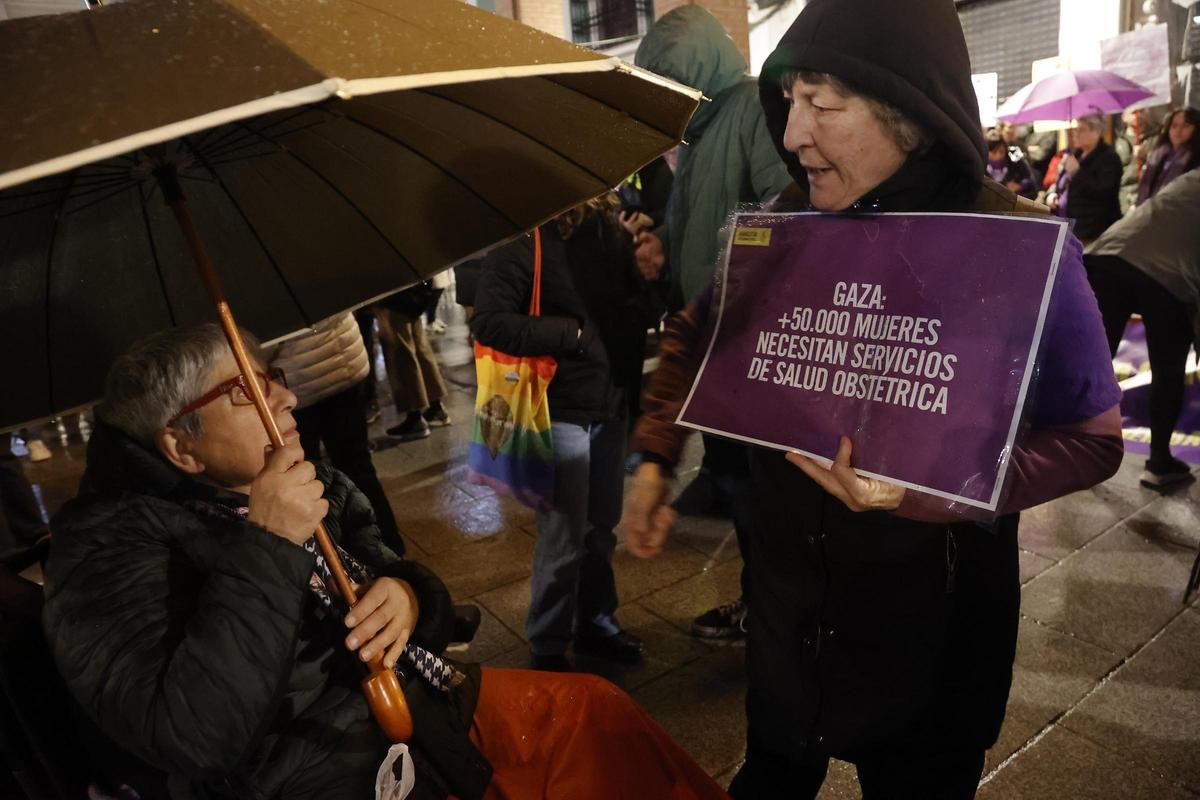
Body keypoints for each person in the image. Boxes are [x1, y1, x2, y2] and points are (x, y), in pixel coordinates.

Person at [621, 0, 1124, 797]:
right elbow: (696, 331)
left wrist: (938, 489)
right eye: (791, 100)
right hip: (788, 621)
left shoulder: (1019, 246)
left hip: (931, 641)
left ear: (914, 118)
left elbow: (1093, 439)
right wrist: (654, 457)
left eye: (824, 103)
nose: (792, 134)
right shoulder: (782, 226)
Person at [41, 323, 730, 800]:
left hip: (419, 706)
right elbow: (196, 736)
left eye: (272, 377)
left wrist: (405, 595)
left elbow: (395, 567)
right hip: (321, 770)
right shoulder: (100, 552)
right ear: (181, 448)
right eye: (243, 391)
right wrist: (272, 544)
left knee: (597, 716)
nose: (283, 397)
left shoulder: (298, 475)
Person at [633, 4, 794, 641]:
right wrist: (661, 247)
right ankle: (762, 605)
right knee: (742, 490)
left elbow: (784, 212)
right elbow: (697, 226)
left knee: (761, 497)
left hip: (747, 343)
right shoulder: (700, 135)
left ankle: (773, 614)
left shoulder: (752, 106)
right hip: (713, 339)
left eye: (672, 82)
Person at [471, 194, 655, 672]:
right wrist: (571, 335)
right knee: (564, 536)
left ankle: (597, 622)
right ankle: (548, 642)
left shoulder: (607, 230)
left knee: (600, 529)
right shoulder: (522, 238)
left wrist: (650, 278)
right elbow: (490, 322)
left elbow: (632, 306)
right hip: (558, 409)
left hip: (611, 402)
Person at [1086, 169, 1200, 488]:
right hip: (1168, 275)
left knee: (1095, 359)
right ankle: (1160, 461)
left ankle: (1076, 444)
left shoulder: (1189, 178)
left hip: (1109, 253)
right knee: (1168, 369)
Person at [269, 312, 404, 554]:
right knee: (357, 463)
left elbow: (267, 337)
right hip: (345, 362)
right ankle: (388, 546)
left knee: (307, 472)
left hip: (299, 380)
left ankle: (334, 554)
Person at [375, 284, 452, 441]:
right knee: (421, 350)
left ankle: (415, 416)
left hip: (393, 299)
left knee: (401, 357)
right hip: (415, 296)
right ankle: (435, 407)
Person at [1046, 114, 1123, 244]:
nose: (1075, 133)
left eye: (1081, 130)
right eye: (1075, 129)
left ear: (1096, 132)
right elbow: (1061, 183)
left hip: (1092, 232)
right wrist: (1052, 194)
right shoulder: (1076, 155)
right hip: (1069, 227)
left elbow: (1104, 191)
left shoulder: (1109, 158)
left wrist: (1077, 172)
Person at [1134, 106, 1200, 206]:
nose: (1178, 131)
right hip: (1149, 211)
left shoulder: (1195, 160)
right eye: (1174, 126)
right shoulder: (1158, 154)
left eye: (1185, 126)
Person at [986, 128, 1037, 199]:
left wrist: (1020, 186)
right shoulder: (981, 166)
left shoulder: (1016, 162)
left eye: (1001, 151)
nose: (998, 156)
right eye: (994, 152)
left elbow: (1031, 182)